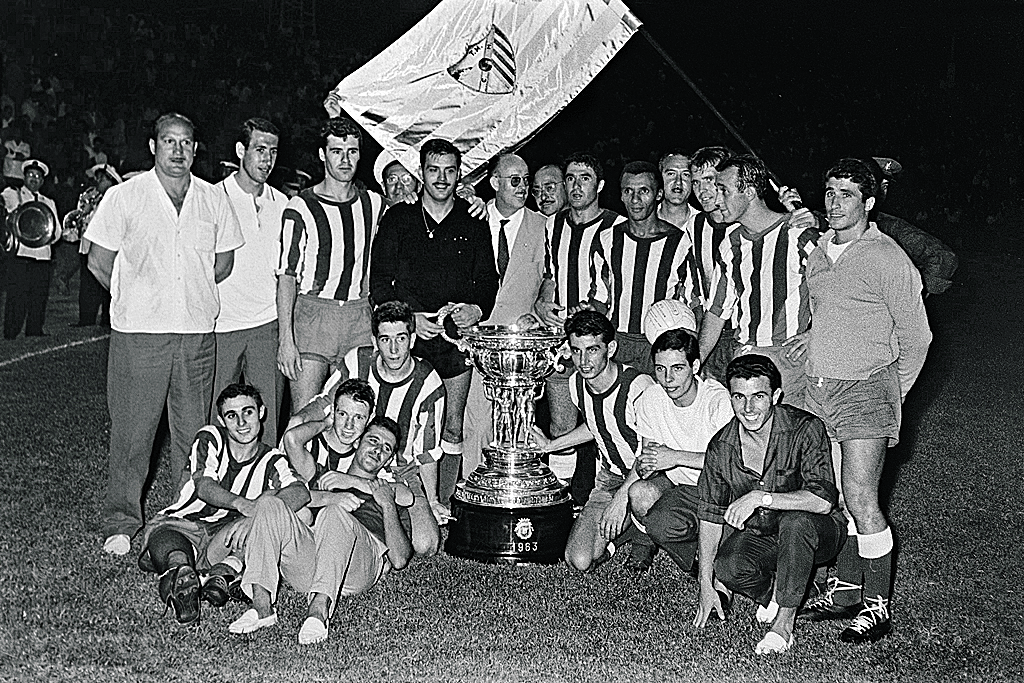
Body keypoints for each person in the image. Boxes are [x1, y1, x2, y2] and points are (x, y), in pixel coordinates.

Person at [86, 112, 244, 556]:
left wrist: (186, 296)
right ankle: (121, 520)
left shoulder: (213, 199)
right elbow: (99, 262)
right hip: (141, 336)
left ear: (196, 149)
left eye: (186, 142)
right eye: (169, 141)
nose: (178, 150)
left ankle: (187, 514)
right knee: (134, 432)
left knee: (196, 433)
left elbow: (223, 263)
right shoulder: (124, 196)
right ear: (153, 146)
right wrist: (137, 299)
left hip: (195, 335)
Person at [797, 159, 932, 643]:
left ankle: (877, 606)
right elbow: (829, 313)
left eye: (846, 194)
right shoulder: (819, 253)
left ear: (869, 202)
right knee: (836, 496)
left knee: (861, 496)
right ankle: (848, 588)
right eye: (829, 191)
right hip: (821, 388)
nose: (833, 202)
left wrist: (891, 393)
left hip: (867, 390)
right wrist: (813, 341)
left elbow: (917, 337)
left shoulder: (887, 257)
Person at [370, 138, 498, 509]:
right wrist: (412, 318)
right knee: (402, 422)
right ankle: (398, 500)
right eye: (433, 170)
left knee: (452, 425)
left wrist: (476, 309)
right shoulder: (399, 218)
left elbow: (487, 280)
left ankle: (444, 503)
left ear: (459, 175)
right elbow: (379, 282)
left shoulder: (472, 219)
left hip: (455, 341)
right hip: (409, 339)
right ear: (420, 173)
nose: (441, 178)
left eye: (449, 171)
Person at [693, 355, 846, 655]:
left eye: (758, 397)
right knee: (727, 566)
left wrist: (759, 498)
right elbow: (710, 515)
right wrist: (705, 583)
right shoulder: (721, 446)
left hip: (819, 531)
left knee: (794, 521)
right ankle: (783, 589)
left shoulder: (805, 428)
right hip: (764, 535)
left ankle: (783, 627)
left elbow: (824, 501)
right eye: (740, 397)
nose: (748, 409)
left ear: (775, 396)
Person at [136, 384, 310, 626]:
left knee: (260, 529)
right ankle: (183, 576)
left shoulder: (273, 459)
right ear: (221, 419)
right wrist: (241, 503)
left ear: (261, 412)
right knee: (172, 546)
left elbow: (300, 491)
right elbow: (204, 486)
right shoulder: (211, 437)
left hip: (226, 538)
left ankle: (218, 572)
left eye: (248, 412)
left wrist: (256, 516)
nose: (241, 422)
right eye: (232, 415)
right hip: (184, 522)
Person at [313, 300, 446, 553]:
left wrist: (432, 500)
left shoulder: (429, 382)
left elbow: (427, 453)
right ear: (375, 341)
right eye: (385, 339)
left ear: (413, 339)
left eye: (401, 339)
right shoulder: (357, 361)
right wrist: (299, 422)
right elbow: (325, 402)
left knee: (427, 545)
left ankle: (387, 516)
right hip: (354, 460)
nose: (394, 349)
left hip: (401, 472)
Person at [277, 117, 385, 414]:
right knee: (304, 413)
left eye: (352, 151)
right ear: (323, 154)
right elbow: (286, 276)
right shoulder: (300, 206)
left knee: (356, 411)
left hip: (358, 316)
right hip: (315, 315)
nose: (345, 159)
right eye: (337, 151)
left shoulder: (374, 204)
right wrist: (286, 339)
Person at [532, 311, 655, 573]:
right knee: (579, 560)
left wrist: (622, 498)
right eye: (576, 351)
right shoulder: (577, 382)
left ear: (610, 348)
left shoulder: (638, 385)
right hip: (610, 479)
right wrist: (551, 446)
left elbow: (649, 451)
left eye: (592, 350)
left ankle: (645, 533)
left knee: (640, 497)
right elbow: (595, 424)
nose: (583, 361)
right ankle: (629, 527)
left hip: (648, 477)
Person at [533, 152, 624, 494]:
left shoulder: (616, 225)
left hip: (599, 344)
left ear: (599, 185)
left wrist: (593, 312)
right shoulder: (554, 224)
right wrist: (544, 303)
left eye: (584, 178)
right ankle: (561, 499)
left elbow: (618, 283)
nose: (575, 185)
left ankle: (605, 498)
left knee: (607, 423)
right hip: (560, 342)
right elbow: (550, 275)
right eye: (570, 178)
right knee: (562, 423)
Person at [698, 155, 818, 407]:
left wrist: (816, 333)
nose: (717, 199)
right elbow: (717, 312)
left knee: (789, 440)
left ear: (750, 192)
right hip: (746, 357)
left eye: (724, 190)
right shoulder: (730, 242)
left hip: (791, 362)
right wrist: (695, 362)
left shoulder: (798, 233)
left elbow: (840, 293)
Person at [293, 416, 413, 645]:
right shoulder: (328, 479)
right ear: (357, 441)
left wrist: (387, 504)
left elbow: (399, 560)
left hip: (359, 566)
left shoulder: (390, 495)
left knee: (334, 512)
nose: (377, 450)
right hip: (315, 563)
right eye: (373, 441)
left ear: (388, 460)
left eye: (386, 449)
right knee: (280, 508)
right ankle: (256, 596)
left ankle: (318, 611)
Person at [462, 154, 546, 477]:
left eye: (527, 180)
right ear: (494, 182)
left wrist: (539, 308)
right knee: (475, 425)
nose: (524, 187)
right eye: (515, 180)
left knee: (518, 429)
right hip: (476, 345)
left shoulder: (542, 225)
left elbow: (549, 277)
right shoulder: (473, 217)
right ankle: (473, 496)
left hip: (519, 350)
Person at [629, 319, 733, 575]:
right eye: (660, 369)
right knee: (641, 496)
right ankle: (698, 556)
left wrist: (675, 457)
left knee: (734, 564)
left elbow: (729, 463)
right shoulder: (651, 399)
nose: (668, 379)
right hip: (681, 486)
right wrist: (647, 463)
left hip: (724, 488)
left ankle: (718, 553)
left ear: (694, 366)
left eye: (677, 368)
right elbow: (649, 457)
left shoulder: (717, 401)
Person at [213, 118, 289, 444]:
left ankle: (266, 480)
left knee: (266, 415)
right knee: (216, 413)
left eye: (273, 151)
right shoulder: (213, 198)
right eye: (260, 150)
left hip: (266, 325)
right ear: (241, 150)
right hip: (221, 325)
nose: (267, 160)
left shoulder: (284, 205)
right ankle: (212, 479)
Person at [590, 160, 700, 374]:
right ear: (620, 195)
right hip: (617, 342)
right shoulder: (607, 239)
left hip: (661, 345)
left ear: (658, 194)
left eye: (644, 191)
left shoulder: (680, 242)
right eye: (628, 191)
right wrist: (589, 312)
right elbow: (601, 297)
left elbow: (694, 301)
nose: (635, 199)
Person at [686, 146, 737, 384]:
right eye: (696, 183)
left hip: (743, 335)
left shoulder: (744, 224)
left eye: (709, 180)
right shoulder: (694, 224)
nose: (702, 191)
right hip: (710, 335)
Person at [2, 158, 61, 338]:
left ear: (42, 181)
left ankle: (34, 330)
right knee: (16, 296)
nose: (34, 179)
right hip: (22, 255)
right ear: (24, 177)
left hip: (42, 256)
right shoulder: (13, 194)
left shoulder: (49, 202)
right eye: (30, 175)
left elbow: (56, 230)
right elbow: (7, 211)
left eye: (37, 176)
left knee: (39, 296)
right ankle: (11, 331)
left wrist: (48, 238)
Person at [67, 164, 121, 327]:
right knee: (87, 284)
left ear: (111, 181)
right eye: (97, 177)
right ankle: (86, 318)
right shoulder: (91, 196)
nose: (97, 181)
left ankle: (108, 319)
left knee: (107, 284)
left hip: (107, 248)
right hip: (87, 245)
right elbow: (82, 218)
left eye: (102, 178)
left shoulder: (115, 198)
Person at [655, 149, 696, 232]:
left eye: (685, 175)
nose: (678, 182)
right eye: (671, 174)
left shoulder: (704, 225)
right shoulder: (645, 221)